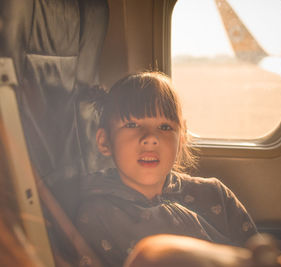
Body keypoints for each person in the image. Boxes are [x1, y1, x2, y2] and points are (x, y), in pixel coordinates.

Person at [75, 71, 258, 266]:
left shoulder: (215, 195)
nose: (150, 138)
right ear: (105, 141)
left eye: (164, 127)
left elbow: (258, 255)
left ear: (181, 139)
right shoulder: (96, 215)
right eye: (132, 124)